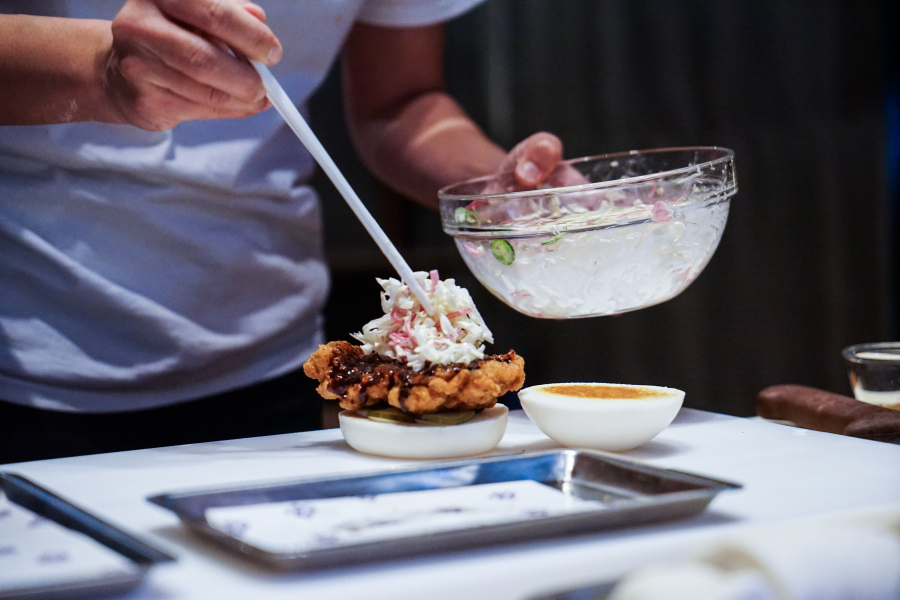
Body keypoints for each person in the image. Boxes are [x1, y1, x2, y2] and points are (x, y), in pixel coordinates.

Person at [0, 0, 567, 464]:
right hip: (32, 350)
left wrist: (502, 193)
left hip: (270, 352)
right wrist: (100, 69)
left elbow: (402, 101)